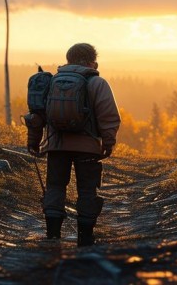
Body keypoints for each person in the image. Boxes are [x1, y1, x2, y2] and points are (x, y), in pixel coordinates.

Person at [27, 43, 121, 247]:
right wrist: (108, 143)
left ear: (68, 59)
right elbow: (109, 116)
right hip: (88, 147)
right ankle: (85, 237)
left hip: (56, 146)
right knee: (87, 190)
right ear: (91, 61)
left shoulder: (52, 82)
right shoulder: (97, 83)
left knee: (55, 187)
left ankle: (52, 235)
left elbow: (37, 116)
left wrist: (33, 142)